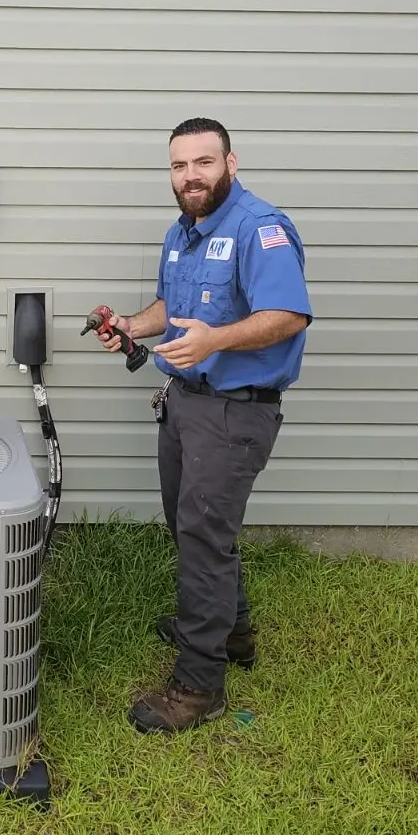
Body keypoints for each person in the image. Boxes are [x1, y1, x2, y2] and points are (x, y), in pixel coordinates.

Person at [92, 117, 312, 735]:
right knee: (197, 530)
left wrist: (217, 340)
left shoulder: (259, 229)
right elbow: (177, 308)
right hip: (185, 403)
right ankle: (233, 634)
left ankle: (198, 685)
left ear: (230, 164)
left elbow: (288, 315)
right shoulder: (183, 232)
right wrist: (133, 326)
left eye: (203, 163)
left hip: (234, 411)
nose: (190, 176)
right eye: (179, 166)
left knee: (204, 538)